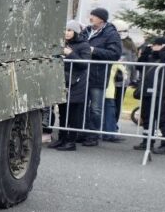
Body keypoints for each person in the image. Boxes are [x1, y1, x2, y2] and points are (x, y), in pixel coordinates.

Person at [81, 8, 123, 147]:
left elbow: (115, 54)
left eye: (93, 16)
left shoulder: (111, 34)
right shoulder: (86, 31)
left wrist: (94, 50)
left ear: (101, 19)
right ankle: (81, 133)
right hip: (82, 74)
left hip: (98, 75)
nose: (90, 18)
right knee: (82, 105)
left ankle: (93, 135)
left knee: (95, 108)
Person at [51, 23, 92, 151]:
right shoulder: (62, 43)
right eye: (65, 30)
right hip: (63, 81)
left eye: (70, 30)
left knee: (74, 114)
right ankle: (62, 138)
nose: (67, 33)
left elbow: (84, 64)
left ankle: (71, 141)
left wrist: (70, 53)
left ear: (76, 32)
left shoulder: (84, 45)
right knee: (63, 112)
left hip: (77, 83)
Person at [134, 37, 165, 154]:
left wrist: (164, 50)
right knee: (147, 118)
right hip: (147, 91)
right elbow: (139, 66)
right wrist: (145, 53)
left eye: (155, 44)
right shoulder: (151, 56)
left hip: (162, 93)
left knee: (163, 119)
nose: (153, 46)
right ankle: (147, 142)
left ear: (163, 45)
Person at [101, 35, 137, 141]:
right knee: (113, 106)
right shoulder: (130, 45)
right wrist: (133, 79)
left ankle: (110, 129)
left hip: (117, 81)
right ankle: (111, 129)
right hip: (120, 81)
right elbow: (132, 64)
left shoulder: (120, 44)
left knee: (110, 106)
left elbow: (131, 64)